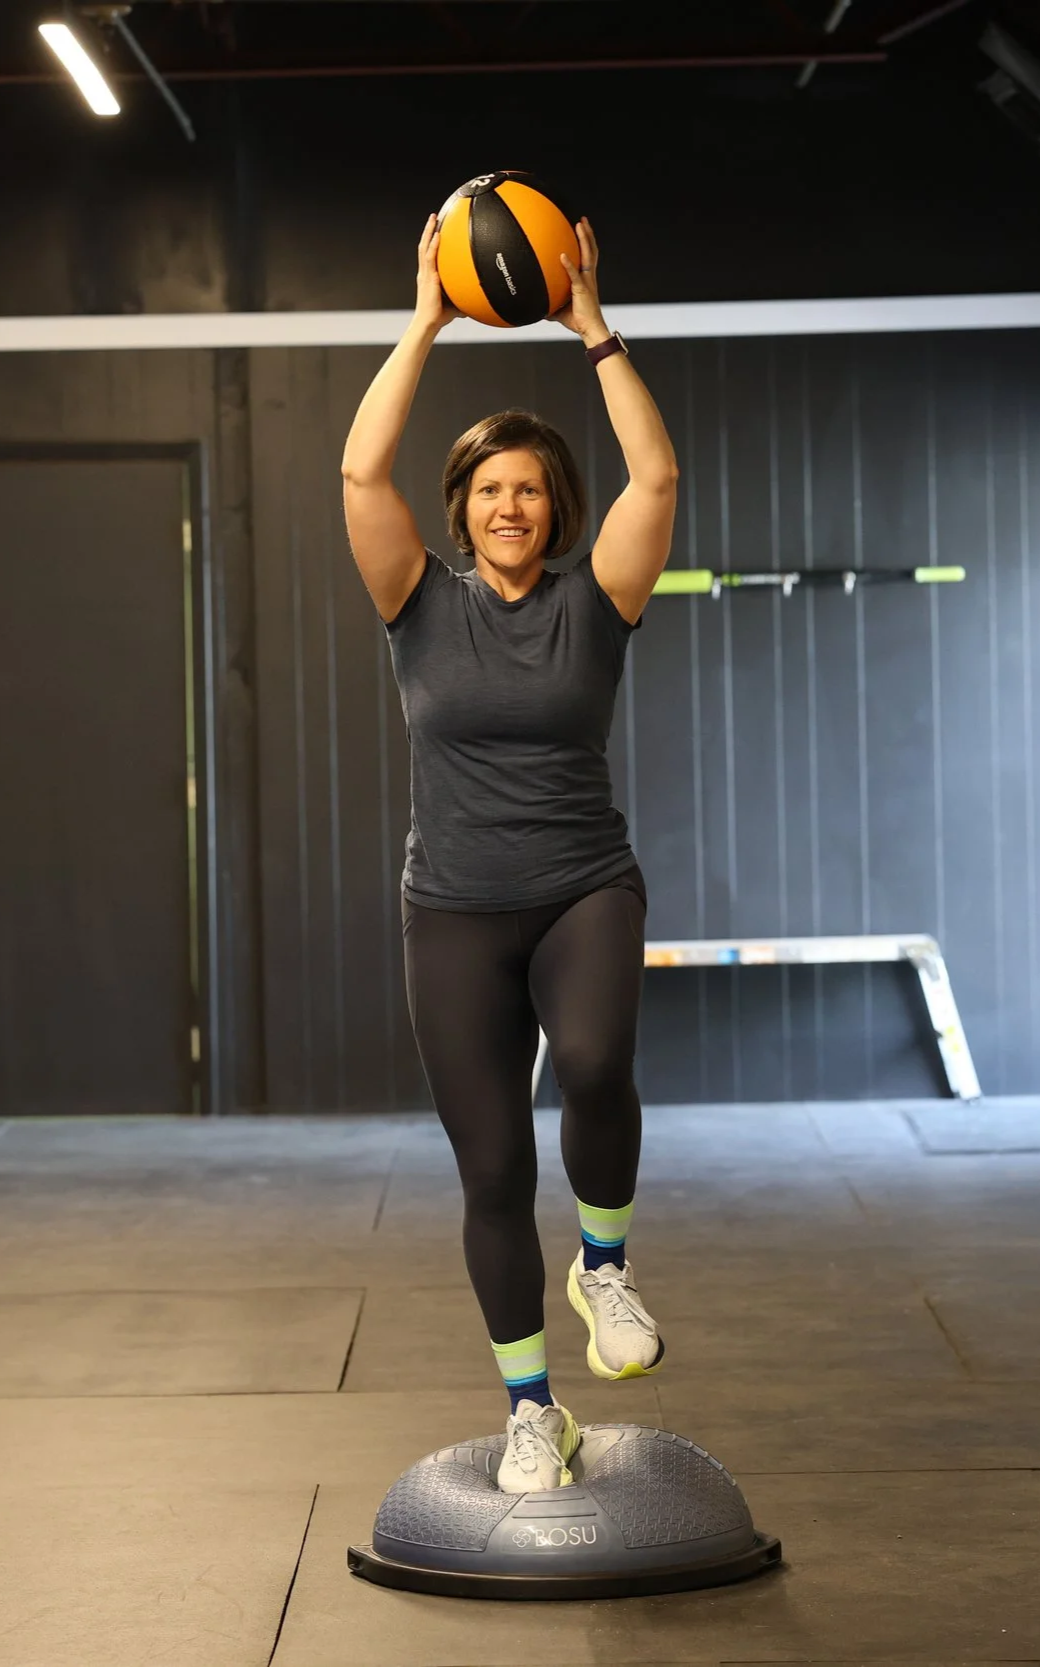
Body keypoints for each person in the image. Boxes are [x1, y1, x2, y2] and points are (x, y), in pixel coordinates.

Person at [341, 212, 679, 1493]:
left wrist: (593, 329)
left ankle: (605, 1264)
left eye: (529, 487)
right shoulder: (413, 603)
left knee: (593, 1060)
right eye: (487, 489)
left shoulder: (602, 599)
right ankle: (535, 1405)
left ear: (555, 508)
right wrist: (426, 317)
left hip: (582, 883)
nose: (509, 505)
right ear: (462, 511)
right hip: (455, 911)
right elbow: (359, 476)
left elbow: (655, 480)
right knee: (490, 1163)